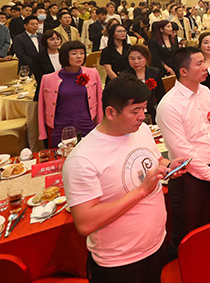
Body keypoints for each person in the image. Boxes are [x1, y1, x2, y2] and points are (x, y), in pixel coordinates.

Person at [63, 75, 179, 283]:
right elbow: (86, 223)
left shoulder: (141, 130)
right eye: (135, 111)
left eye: (144, 109)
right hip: (120, 262)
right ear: (110, 112)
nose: (142, 116)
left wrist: (169, 166)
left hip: (156, 245)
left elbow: (156, 160)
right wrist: (141, 191)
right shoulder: (82, 158)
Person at [156, 47, 210, 256]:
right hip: (188, 178)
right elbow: (183, 151)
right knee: (186, 234)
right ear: (183, 71)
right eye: (199, 63)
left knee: (204, 226)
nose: (206, 67)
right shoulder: (169, 105)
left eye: (204, 61)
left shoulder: (205, 91)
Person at [38, 41, 103, 148]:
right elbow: (41, 108)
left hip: (87, 125)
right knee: (61, 155)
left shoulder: (93, 73)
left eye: (82, 53)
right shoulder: (48, 79)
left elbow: (99, 101)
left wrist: (100, 125)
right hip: (61, 127)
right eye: (74, 53)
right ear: (64, 56)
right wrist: (42, 133)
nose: (79, 56)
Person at [121, 44, 166, 121]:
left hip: (153, 111)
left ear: (146, 58)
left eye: (140, 58)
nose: (136, 62)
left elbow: (161, 95)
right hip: (133, 113)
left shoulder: (154, 72)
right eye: (132, 59)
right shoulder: (124, 76)